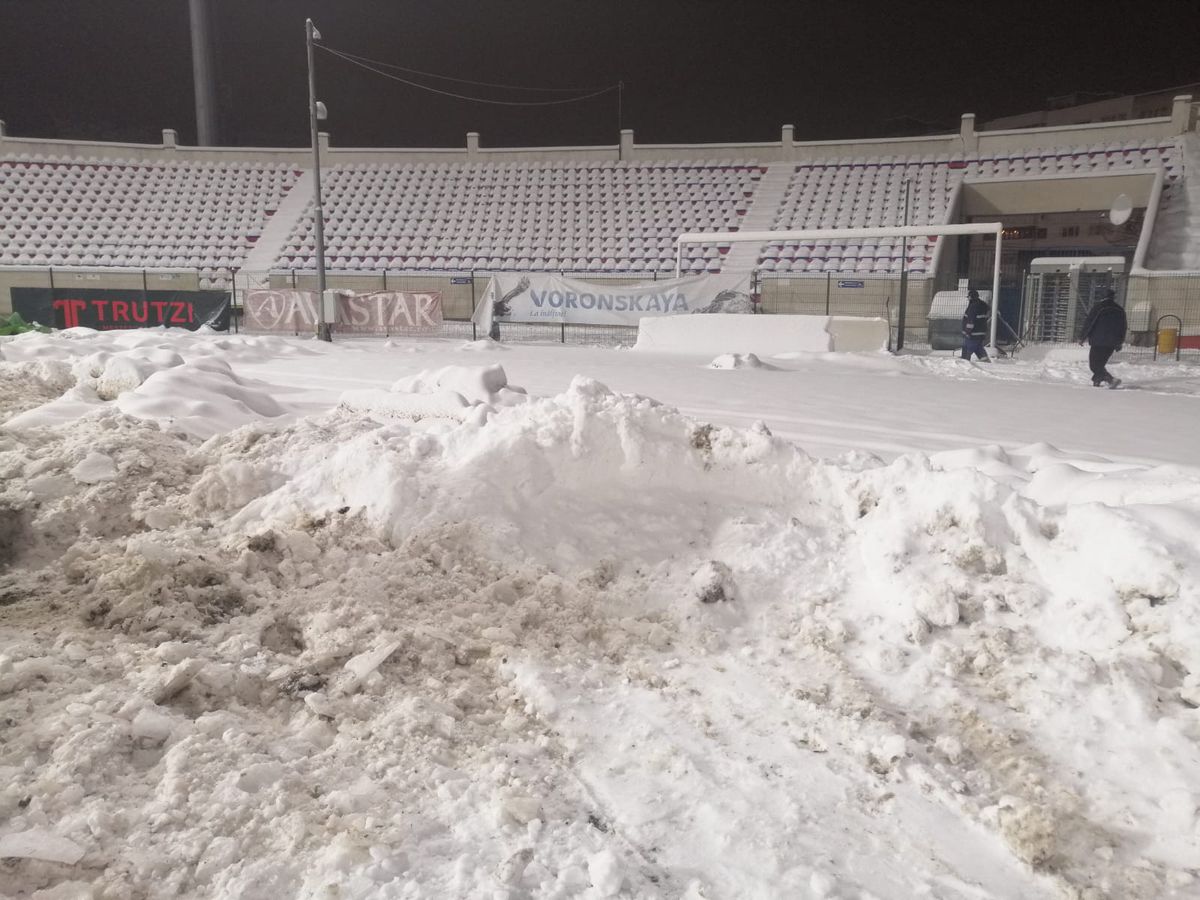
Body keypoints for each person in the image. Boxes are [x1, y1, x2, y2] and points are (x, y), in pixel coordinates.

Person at [1078, 288, 1127, 387]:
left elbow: (1090, 323)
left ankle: (1111, 380)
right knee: (1100, 364)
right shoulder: (1120, 309)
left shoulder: (1099, 308)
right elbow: (1123, 327)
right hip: (1112, 342)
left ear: (1101, 297)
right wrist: (1119, 342)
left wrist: (1082, 337)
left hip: (1098, 341)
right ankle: (1097, 381)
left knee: (1094, 365)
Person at [961, 289, 990, 361]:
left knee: (967, 348)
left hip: (973, 333)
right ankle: (985, 361)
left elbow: (970, 320)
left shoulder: (973, 306)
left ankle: (964, 362)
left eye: (968, 297)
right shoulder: (983, 305)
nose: (968, 298)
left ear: (971, 297)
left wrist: (967, 332)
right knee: (978, 348)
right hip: (981, 332)